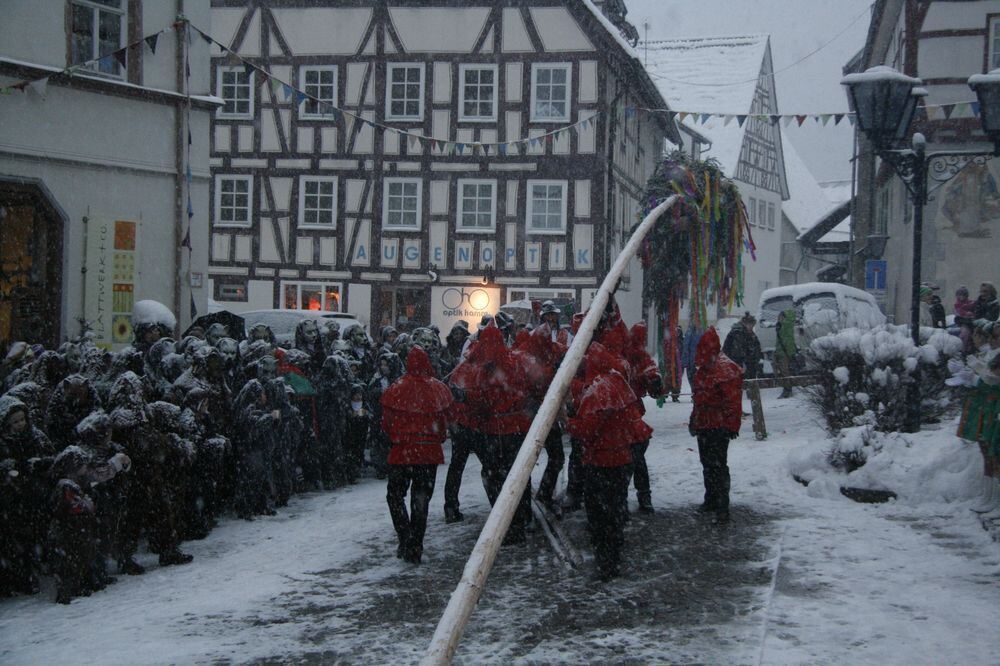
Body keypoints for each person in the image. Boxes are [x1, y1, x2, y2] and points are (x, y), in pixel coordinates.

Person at [568, 342, 652, 581]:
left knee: (599, 514)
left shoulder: (598, 390)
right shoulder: (617, 382)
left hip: (602, 461)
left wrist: (569, 422)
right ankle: (613, 554)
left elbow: (588, 430)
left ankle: (606, 561)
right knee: (615, 509)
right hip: (621, 457)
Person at [381, 346, 454, 564]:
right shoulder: (437, 390)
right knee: (421, 500)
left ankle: (405, 536)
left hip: (402, 452)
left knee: (394, 496)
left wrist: (398, 436)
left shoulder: (397, 389)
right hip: (428, 453)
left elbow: (386, 423)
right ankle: (416, 545)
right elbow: (443, 424)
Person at [689, 327, 744, 524]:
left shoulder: (724, 370)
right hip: (706, 424)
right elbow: (699, 398)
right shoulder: (706, 369)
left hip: (718, 425)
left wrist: (731, 425)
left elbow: (732, 401)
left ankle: (722, 505)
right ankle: (712, 499)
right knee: (708, 464)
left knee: (718, 466)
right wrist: (694, 419)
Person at [722, 313, 762, 380]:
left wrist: (756, 359)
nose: (752, 327)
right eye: (751, 325)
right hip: (737, 364)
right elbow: (738, 351)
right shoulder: (737, 333)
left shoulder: (750, 334)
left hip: (746, 365)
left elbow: (757, 347)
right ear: (745, 323)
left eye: (753, 326)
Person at [773, 308, 799, 399]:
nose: (779, 319)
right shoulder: (781, 326)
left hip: (785, 352)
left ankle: (787, 390)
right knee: (782, 371)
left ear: (785, 318)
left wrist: (786, 315)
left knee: (785, 371)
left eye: (781, 317)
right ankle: (786, 389)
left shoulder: (787, 326)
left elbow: (786, 341)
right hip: (781, 351)